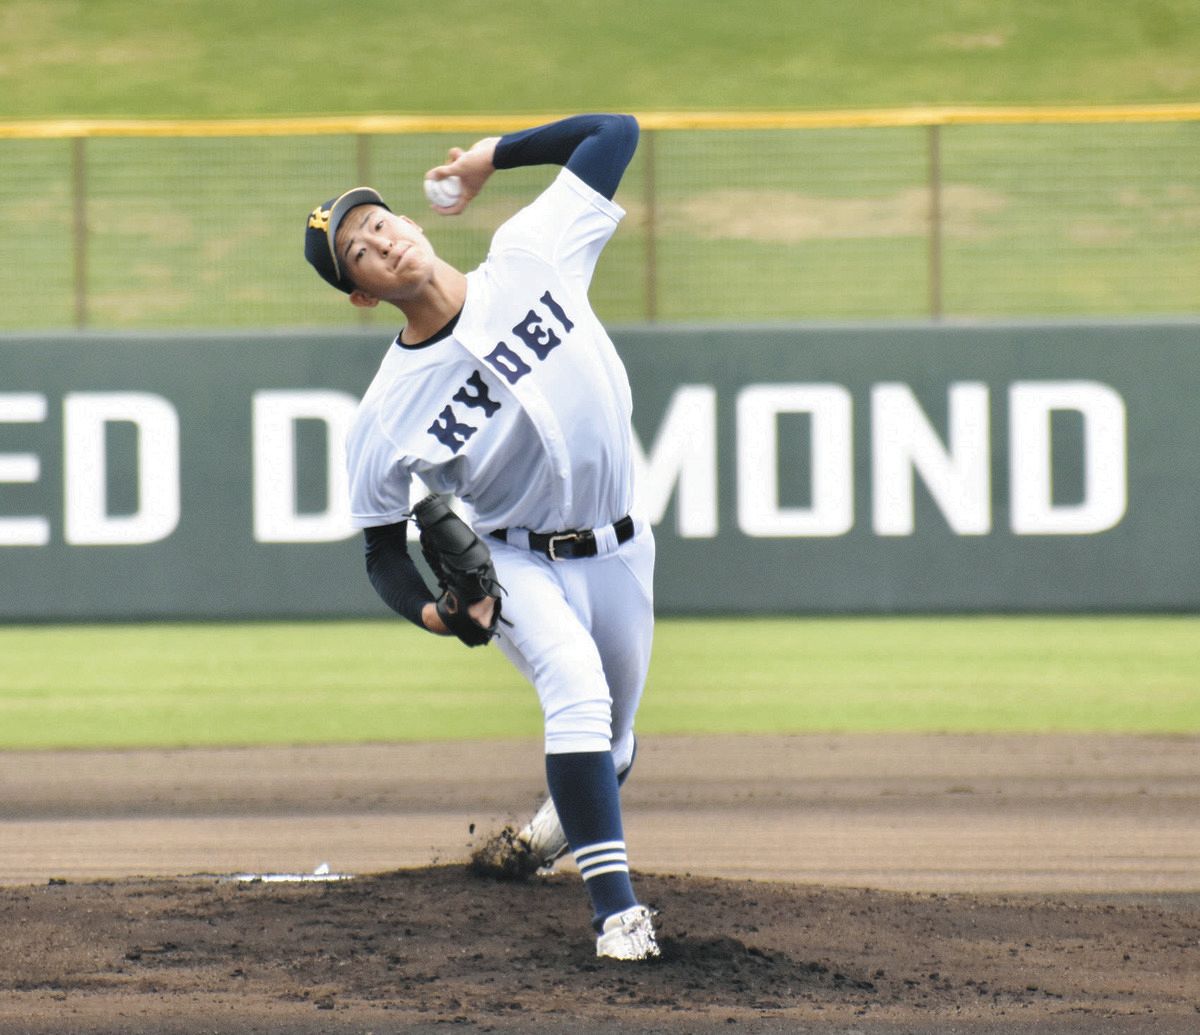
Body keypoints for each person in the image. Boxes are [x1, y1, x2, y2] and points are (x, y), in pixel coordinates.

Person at [303, 114, 659, 961]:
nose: (381, 242)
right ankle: (618, 917)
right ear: (361, 293)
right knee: (574, 690)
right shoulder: (388, 412)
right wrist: (437, 613)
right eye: (360, 249)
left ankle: (546, 835)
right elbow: (382, 548)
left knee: (612, 744)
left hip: (622, 546)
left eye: (381, 221)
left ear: (415, 224)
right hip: (514, 558)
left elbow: (615, 133)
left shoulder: (529, 253)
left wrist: (489, 158)